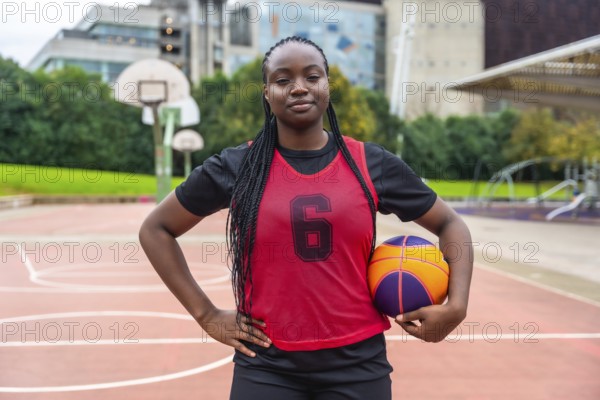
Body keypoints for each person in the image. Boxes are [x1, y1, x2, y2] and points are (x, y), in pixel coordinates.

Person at [139, 36, 473, 400]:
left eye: (312, 77)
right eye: (283, 80)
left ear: (328, 84)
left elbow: (450, 224)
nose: (299, 88)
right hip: (266, 362)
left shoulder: (370, 163)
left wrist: (456, 305)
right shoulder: (237, 166)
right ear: (266, 92)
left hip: (357, 362)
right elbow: (156, 229)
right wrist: (205, 314)